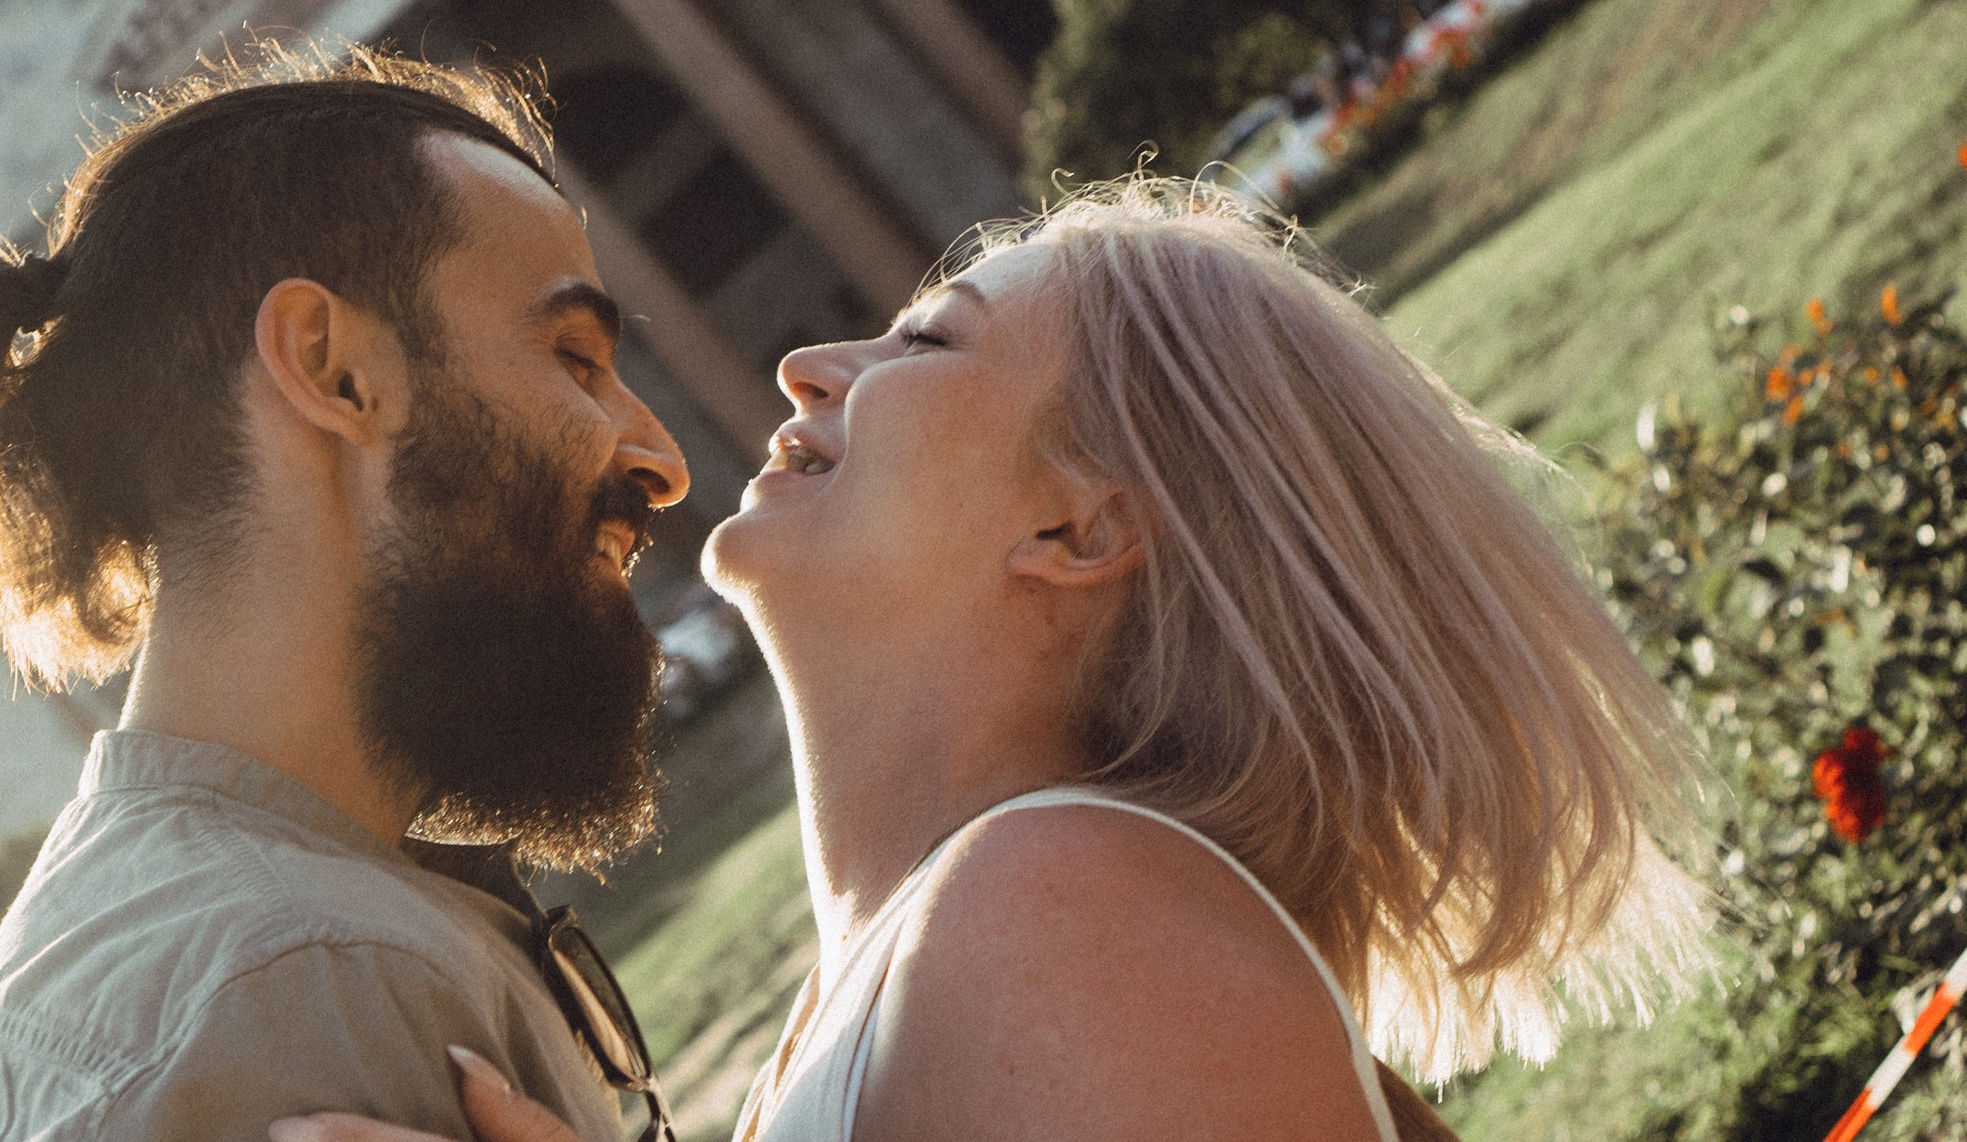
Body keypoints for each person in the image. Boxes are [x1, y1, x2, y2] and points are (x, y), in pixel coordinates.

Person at [278, 178, 1709, 1142]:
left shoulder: (1056, 905)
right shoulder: (960, 935)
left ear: (1079, 522)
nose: (807, 365)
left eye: (924, 340)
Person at [0, 48, 692, 1141]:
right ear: (334, 370)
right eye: (575, 357)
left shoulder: (234, 931)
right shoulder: (317, 980)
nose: (663, 459)